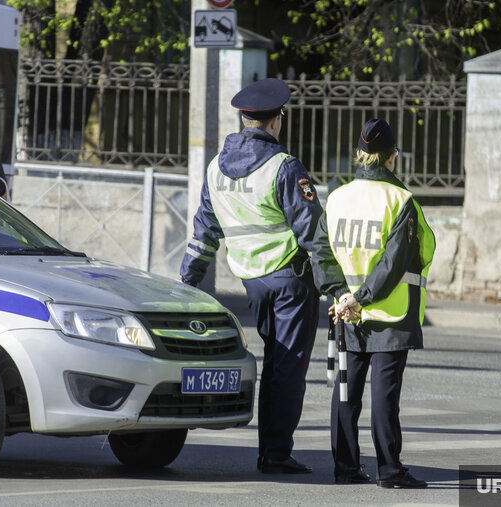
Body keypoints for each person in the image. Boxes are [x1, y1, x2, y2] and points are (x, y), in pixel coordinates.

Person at [180, 78, 323, 474]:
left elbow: (203, 232)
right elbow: (314, 234)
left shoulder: (215, 168)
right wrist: (336, 289)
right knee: (287, 369)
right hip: (291, 280)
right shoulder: (284, 166)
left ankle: (270, 451)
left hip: (251, 283)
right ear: (277, 120)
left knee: (275, 365)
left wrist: (187, 283)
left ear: (244, 119)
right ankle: (275, 453)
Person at [310, 118, 435, 488]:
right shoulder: (400, 200)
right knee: (384, 396)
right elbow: (394, 264)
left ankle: (345, 468)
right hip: (390, 314)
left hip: (346, 313)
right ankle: (390, 471)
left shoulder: (336, 198)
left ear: (360, 155)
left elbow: (320, 252)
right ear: (392, 158)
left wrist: (339, 296)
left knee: (346, 390)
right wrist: (360, 299)